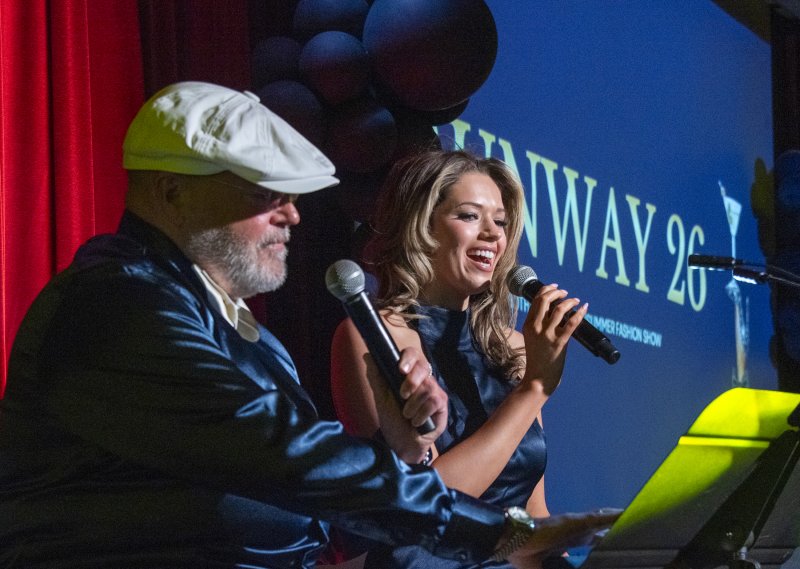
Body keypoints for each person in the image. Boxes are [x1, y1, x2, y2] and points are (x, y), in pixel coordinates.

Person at [0, 82, 615, 569]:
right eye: (265, 193)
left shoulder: (249, 335)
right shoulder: (118, 302)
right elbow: (282, 455)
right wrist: (499, 536)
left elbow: (315, 496)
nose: (292, 214)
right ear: (171, 194)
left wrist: (401, 448)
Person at [331, 149, 587, 568]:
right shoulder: (373, 336)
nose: (492, 235)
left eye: (500, 223)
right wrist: (534, 390)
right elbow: (422, 508)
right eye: (470, 216)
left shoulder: (514, 347)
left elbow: (531, 509)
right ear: (422, 227)